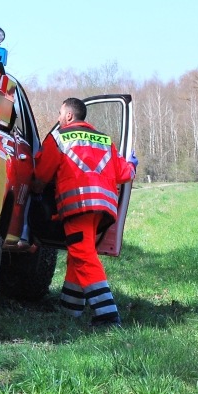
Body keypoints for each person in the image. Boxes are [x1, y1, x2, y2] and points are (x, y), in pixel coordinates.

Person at [31, 97, 137, 326]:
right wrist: (133, 165)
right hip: (103, 210)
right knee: (79, 252)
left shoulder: (59, 137)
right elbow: (123, 174)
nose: (58, 118)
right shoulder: (105, 140)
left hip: (78, 205)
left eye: (60, 113)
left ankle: (108, 316)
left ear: (69, 115)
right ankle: (70, 309)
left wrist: (37, 192)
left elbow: (41, 175)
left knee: (84, 256)